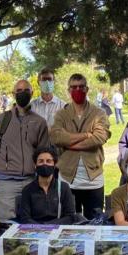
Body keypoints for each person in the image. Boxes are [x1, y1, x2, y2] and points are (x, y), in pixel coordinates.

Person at [0, 80, 50, 236]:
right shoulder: (2, 120)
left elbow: (44, 152)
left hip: (30, 181)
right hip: (6, 181)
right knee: (0, 224)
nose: (22, 92)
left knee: (29, 225)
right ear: (13, 94)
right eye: (19, 90)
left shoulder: (39, 122)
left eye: (26, 90)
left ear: (32, 93)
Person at [50, 74, 111, 219]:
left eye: (81, 87)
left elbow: (99, 137)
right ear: (68, 90)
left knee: (95, 224)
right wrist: (86, 135)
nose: (78, 90)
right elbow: (56, 137)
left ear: (87, 89)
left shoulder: (99, 113)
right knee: (70, 224)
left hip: (93, 180)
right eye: (74, 87)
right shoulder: (62, 114)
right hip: (67, 179)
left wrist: (70, 144)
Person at [16, 146, 77, 224]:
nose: (44, 164)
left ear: (54, 165)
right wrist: (41, 228)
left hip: (57, 229)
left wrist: (48, 226)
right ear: (35, 165)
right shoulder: (27, 190)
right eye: (41, 161)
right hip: (35, 230)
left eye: (48, 161)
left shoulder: (64, 187)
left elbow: (70, 216)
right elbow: (25, 218)